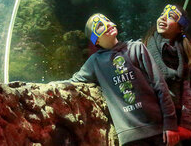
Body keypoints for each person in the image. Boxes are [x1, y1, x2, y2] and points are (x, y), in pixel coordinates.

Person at [70, 13, 180, 146]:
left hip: (158, 129)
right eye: (99, 25)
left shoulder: (137, 47)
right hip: (130, 138)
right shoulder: (94, 62)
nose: (107, 24)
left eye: (107, 20)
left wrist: (170, 122)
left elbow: (160, 85)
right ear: (95, 40)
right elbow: (72, 82)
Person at [143, 4, 191, 145]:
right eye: (162, 14)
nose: (163, 18)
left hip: (177, 115)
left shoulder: (186, 52)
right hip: (153, 116)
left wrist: (186, 125)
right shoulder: (141, 48)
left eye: (171, 16)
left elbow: (188, 89)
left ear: (181, 27)